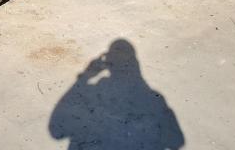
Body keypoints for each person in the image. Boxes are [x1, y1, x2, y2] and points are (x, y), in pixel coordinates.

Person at [49, 39, 184, 150]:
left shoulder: (92, 93)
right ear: (135, 64)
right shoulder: (156, 100)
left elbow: (56, 131)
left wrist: (85, 77)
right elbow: (176, 141)